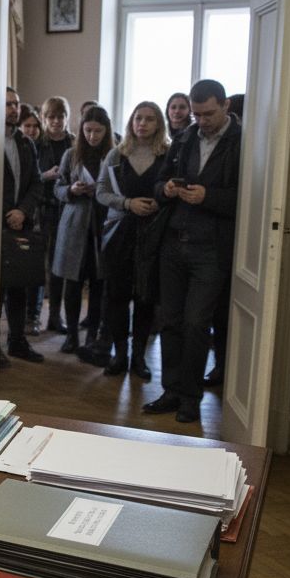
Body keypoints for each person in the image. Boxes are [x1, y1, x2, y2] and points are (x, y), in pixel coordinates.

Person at [144, 79, 241, 424]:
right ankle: (170, 391)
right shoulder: (184, 138)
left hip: (211, 249)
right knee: (169, 321)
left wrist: (208, 197)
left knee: (197, 323)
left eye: (208, 114)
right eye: (197, 114)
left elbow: (248, 197)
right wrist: (167, 188)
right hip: (173, 242)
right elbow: (158, 183)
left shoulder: (242, 142)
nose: (202, 121)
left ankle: (190, 397)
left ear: (225, 106)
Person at [96, 102, 169, 379]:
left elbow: (173, 191)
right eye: (138, 118)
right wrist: (127, 203)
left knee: (145, 298)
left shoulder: (168, 154)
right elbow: (101, 192)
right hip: (119, 233)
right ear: (131, 122)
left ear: (158, 124)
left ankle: (139, 357)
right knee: (117, 296)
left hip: (153, 236)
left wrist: (160, 203)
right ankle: (120, 354)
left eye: (149, 119)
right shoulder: (117, 153)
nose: (143, 124)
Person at [52, 105, 113, 354]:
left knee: (98, 284)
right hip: (75, 225)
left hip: (102, 224)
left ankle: (92, 336)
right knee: (73, 283)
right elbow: (57, 188)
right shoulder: (71, 154)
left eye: (98, 131)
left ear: (106, 131)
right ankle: (72, 336)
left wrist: (101, 191)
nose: (92, 136)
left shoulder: (113, 155)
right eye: (88, 130)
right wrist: (71, 190)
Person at [0, 86, 44, 366]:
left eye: (16, 104)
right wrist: (7, 213)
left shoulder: (25, 142)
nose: (14, 109)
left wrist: (22, 211)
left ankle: (17, 342)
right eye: (7, 104)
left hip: (20, 223)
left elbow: (36, 183)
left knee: (19, 287)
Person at [37, 96, 74, 333]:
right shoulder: (37, 142)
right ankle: (34, 315)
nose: (56, 121)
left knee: (60, 264)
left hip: (67, 208)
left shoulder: (74, 142)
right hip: (43, 209)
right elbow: (31, 176)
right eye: (51, 117)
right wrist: (45, 176)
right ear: (44, 118)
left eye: (61, 117)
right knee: (40, 263)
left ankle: (54, 316)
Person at [18, 104, 46, 336]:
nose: (32, 130)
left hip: (36, 217)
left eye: (35, 126)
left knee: (34, 270)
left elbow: (36, 183)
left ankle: (32, 316)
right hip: (16, 217)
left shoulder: (30, 146)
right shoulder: (17, 145)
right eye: (27, 125)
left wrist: (24, 210)